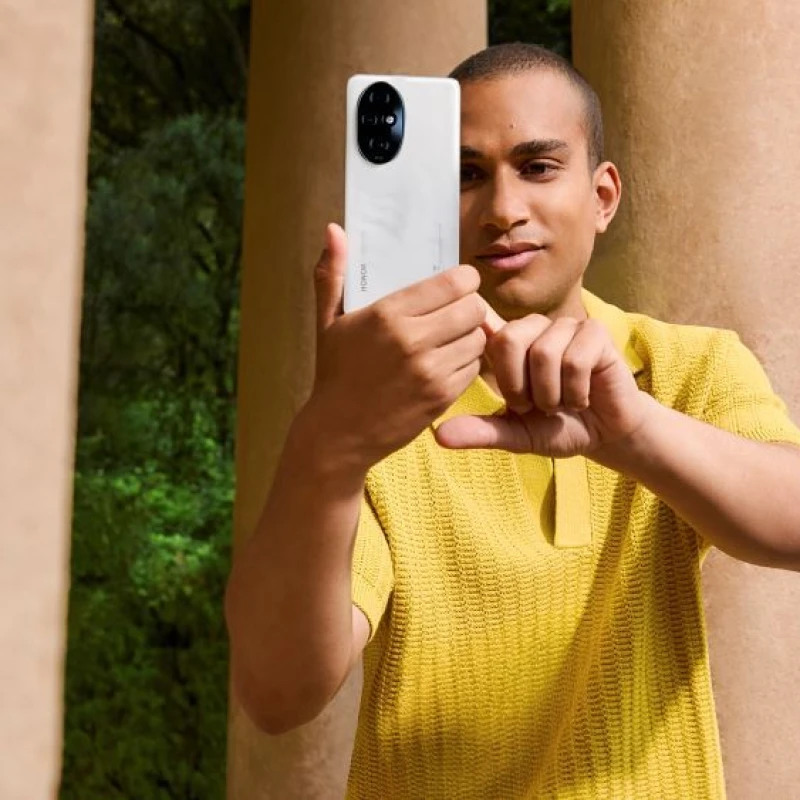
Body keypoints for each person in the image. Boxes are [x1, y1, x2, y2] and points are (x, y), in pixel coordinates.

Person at [225, 43, 800, 798]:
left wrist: (633, 434)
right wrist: (328, 443)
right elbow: (277, 693)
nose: (502, 209)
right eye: (466, 175)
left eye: (538, 166)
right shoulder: (378, 413)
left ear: (603, 196)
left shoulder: (684, 366)